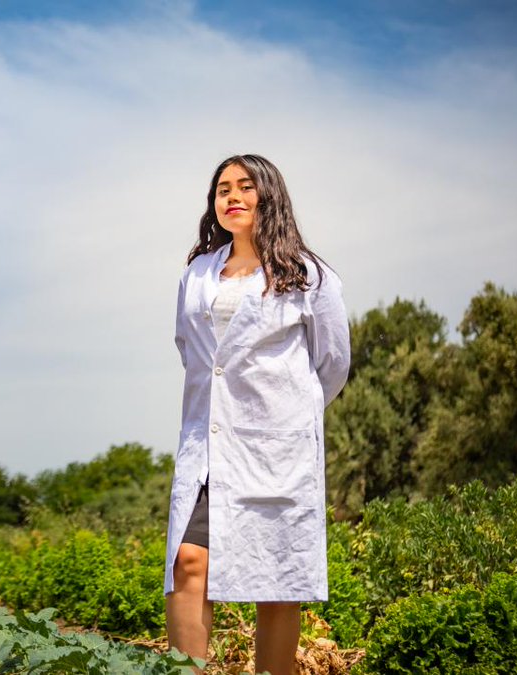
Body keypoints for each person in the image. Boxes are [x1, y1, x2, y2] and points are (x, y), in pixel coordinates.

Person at [163, 154, 351, 675]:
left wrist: (288, 415)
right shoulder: (197, 275)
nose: (233, 197)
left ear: (269, 195)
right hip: (210, 443)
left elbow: (332, 363)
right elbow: (191, 350)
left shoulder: (310, 275)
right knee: (188, 562)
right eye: (223, 189)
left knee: (277, 582)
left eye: (245, 186)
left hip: (276, 449)